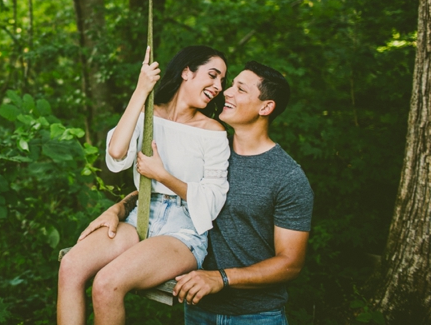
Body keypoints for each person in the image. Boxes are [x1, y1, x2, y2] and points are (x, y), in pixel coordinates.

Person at [81, 61, 314, 325]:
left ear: (266, 107)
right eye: (231, 85)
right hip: (199, 309)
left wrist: (220, 277)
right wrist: (118, 208)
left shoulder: (286, 176)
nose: (226, 92)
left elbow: (290, 263)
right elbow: (168, 195)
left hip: (256, 315)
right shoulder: (211, 147)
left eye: (240, 89)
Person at [57, 46, 231, 325]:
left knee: (107, 283)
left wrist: (162, 175)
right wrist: (141, 91)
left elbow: (212, 202)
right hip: (141, 215)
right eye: (212, 75)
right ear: (187, 71)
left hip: (184, 228)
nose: (218, 86)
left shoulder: (213, 132)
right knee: (70, 266)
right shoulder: (148, 115)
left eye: (222, 81)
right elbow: (116, 154)